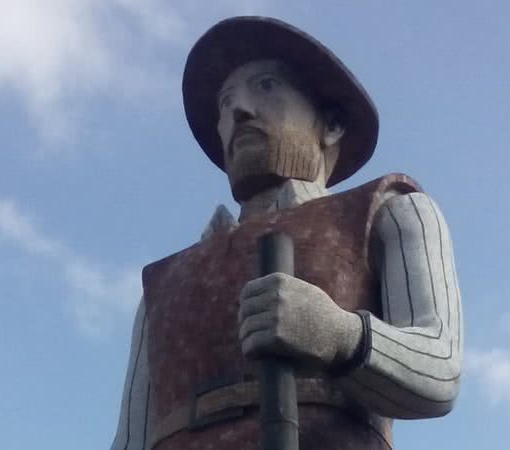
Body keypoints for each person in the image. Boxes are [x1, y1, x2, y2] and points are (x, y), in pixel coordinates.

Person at [109, 16, 462, 450]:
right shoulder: (163, 287)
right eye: (224, 103)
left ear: (331, 124)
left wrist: (339, 335)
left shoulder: (390, 212)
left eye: (267, 85)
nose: (238, 110)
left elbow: (441, 367)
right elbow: (129, 441)